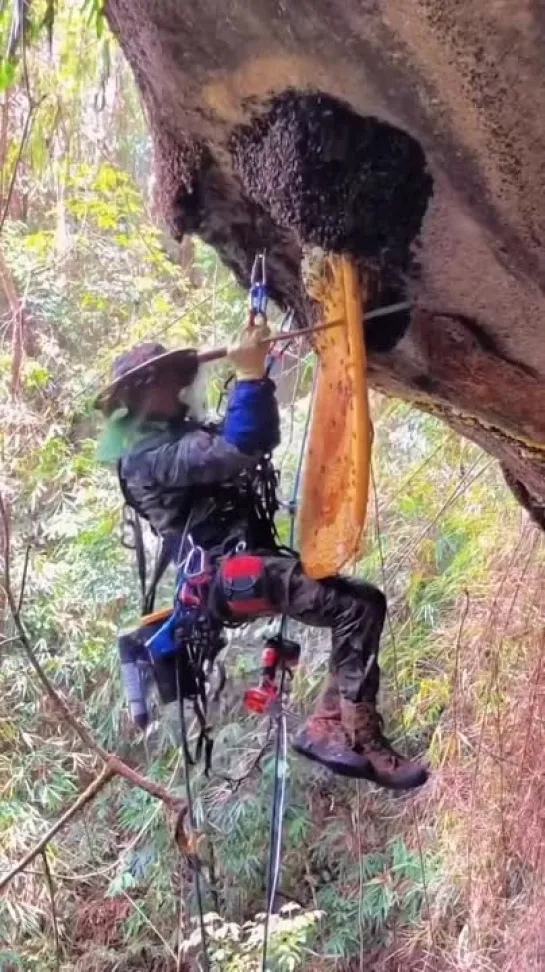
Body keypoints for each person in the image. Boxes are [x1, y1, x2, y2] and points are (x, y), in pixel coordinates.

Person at [97, 322, 428, 791]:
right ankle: (354, 734)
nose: (180, 386)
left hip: (239, 567)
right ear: (142, 393)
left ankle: (332, 724)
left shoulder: (173, 436)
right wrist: (250, 376)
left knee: (363, 602)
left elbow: (243, 436)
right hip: (224, 576)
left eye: (177, 375)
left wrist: (261, 368)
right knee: (355, 607)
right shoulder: (147, 456)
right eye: (168, 379)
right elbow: (241, 445)